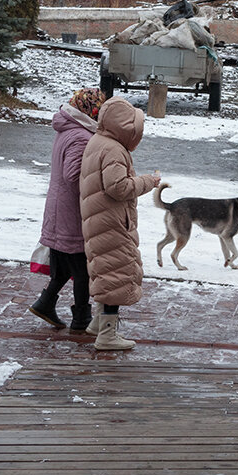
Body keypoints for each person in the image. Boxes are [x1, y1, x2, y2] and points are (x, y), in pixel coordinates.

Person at [79, 96, 163, 351]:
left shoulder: (98, 141)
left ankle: (98, 321)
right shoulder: (114, 149)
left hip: (100, 218)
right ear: (124, 127)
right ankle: (107, 335)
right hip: (111, 221)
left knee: (106, 270)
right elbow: (118, 187)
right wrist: (149, 181)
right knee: (117, 272)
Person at [29, 87, 105, 333]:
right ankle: (81, 318)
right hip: (70, 211)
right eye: (98, 110)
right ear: (90, 110)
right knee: (81, 266)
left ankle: (46, 302)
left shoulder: (68, 129)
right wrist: (102, 182)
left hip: (58, 206)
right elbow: (73, 175)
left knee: (64, 263)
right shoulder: (81, 136)